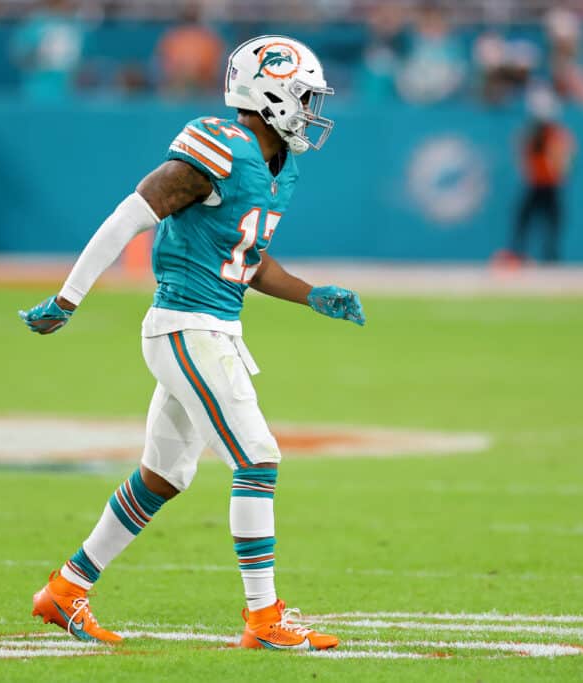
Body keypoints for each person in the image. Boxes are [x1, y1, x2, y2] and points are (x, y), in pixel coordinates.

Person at [18, 35, 364, 651]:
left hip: (213, 328)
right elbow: (129, 216)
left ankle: (67, 589)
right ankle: (264, 618)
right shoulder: (220, 146)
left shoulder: (277, 165)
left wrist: (312, 294)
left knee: (164, 474)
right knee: (257, 458)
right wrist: (67, 299)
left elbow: (248, 261)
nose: (310, 110)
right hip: (186, 327)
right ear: (271, 94)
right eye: (303, 96)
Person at [508, 89, 575, 264]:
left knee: (551, 225)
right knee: (524, 221)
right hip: (536, 184)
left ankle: (550, 257)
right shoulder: (531, 134)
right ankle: (519, 254)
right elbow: (521, 155)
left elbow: (563, 161)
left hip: (550, 186)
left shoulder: (554, 134)